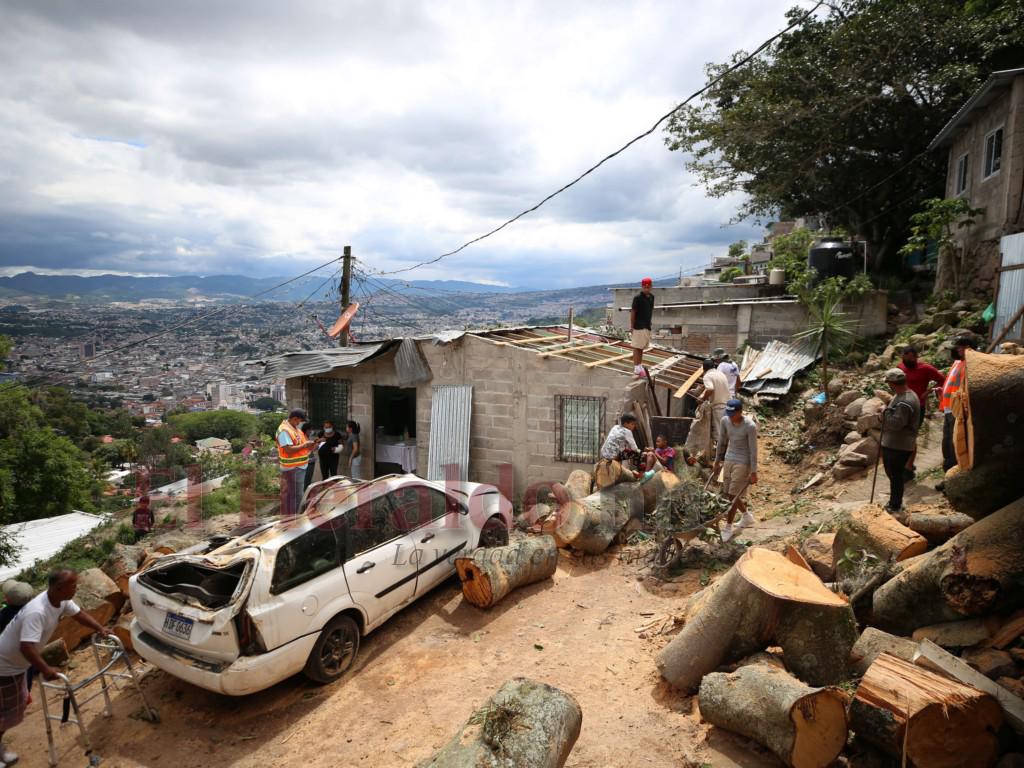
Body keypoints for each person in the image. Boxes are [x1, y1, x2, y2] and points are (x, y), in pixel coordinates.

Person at [0, 570, 110, 764]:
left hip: (17, 665)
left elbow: (79, 614)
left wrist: (99, 628)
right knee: (10, 714)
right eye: (73, 586)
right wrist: (46, 669)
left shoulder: (60, 600)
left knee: (14, 709)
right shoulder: (37, 611)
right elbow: (25, 646)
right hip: (5, 667)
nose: (76, 589)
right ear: (59, 588)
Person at [712, 399, 758, 543]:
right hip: (729, 458)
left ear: (740, 412)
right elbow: (722, 441)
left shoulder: (750, 426)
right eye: (729, 414)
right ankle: (746, 516)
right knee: (728, 493)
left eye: (733, 414)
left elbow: (753, 450)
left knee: (733, 494)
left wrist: (754, 471)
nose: (731, 417)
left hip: (743, 461)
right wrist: (717, 460)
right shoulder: (725, 421)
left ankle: (728, 527)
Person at [897, 345, 946, 478]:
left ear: (916, 357)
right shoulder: (900, 368)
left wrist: (929, 391)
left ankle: (908, 468)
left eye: (910, 359)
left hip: (918, 406)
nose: (907, 361)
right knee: (902, 436)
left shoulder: (925, 368)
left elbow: (943, 380)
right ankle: (906, 463)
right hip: (902, 406)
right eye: (905, 358)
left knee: (911, 436)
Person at [937, 336, 977, 488]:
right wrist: (942, 392)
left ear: (969, 347)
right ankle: (947, 477)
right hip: (948, 409)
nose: (958, 350)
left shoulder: (972, 364)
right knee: (946, 445)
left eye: (962, 347)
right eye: (958, 347)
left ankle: (953, 481)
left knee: (955, 444)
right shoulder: (957, 362)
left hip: (958, 411)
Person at [880, 368, 920, 514]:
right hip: (894, 443)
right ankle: (894, 501)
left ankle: (895, 504)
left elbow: (896, 424)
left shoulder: (905, 401)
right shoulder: (902, 395)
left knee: (895, 476)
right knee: (893, 474)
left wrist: (883, 413)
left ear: (891, 383)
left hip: (898, 445)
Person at [276, 408, 316, 517]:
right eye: (300, 421)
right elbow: (288, 450)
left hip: (299, 467)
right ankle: (289, 519)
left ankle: (295, 517)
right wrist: (305, 445)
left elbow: (301, 446)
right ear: (294, 418)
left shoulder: (295, 429)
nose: (300, 423)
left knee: (298, 495)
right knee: (292, 495)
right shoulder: (284, 431)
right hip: (291, 468)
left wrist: (310, 447)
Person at [595, 413, 643, 488]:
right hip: (613, 456)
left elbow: (617, 443)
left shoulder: (615, 427)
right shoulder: (628, 432)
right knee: (638, 453)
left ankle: (617, 467)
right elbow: (634, 448)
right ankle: (639, 473)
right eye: (633, 424)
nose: (634, 426)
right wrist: (639, 451)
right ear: (626, 424)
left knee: (623, 451)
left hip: (604, 454)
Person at [700, 358, 731, 450]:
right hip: (728, 405)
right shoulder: (720, 373)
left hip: (719, 407)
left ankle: (720, 456)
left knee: (719, 433)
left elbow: (710, 389)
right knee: (726, 431)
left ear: (704, 368)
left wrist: (702, 398)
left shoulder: (707, 376)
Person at [630, 278, 655, 377]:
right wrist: (632, 326)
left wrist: (650, 323)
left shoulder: (652, 297)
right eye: (645, 287)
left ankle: (639, 365)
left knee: (642, 347)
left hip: (647, 326)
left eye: (648, 287)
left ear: (651, 287)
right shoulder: (638, 298)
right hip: (639, 326)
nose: (646, 288)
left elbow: (650, 310)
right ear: (642, 287)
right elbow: (633, 312)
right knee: (637, 347)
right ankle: (636, 368)